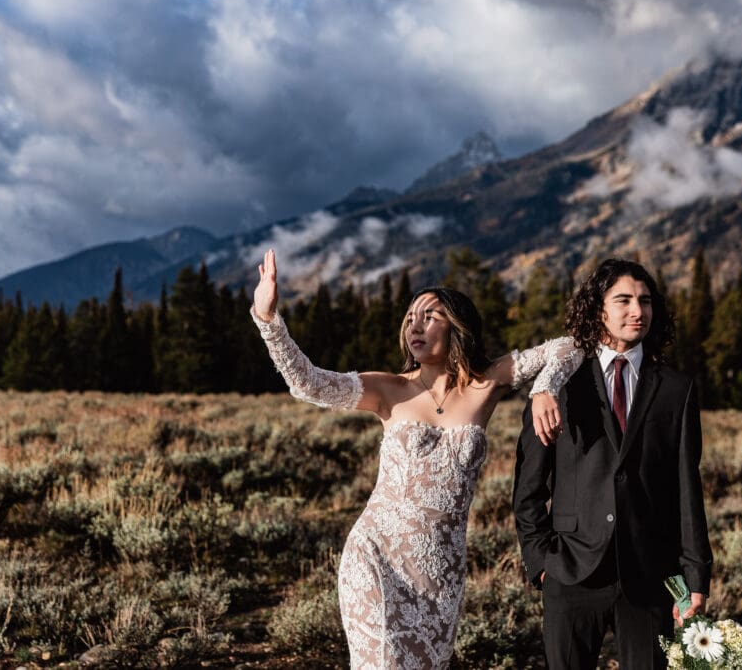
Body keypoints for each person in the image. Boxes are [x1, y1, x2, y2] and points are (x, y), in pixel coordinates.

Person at [250, 249, 583, 669]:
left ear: (457, 327)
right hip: (377, 553)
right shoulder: (388, 389)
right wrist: (268, 320)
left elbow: (570, 347)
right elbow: (309, 383)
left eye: (430, 316)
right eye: (410, 318)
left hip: (441, 572)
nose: (415, 326)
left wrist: (544, 389)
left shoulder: (486, 384)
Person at [513, 258, 713, 669]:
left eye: (645, 300)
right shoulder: (559, 384)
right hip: (570, 571)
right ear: (597, 309)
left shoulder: (676, 389)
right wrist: (542, 563)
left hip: (651, 574)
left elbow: (686, 488)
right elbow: (528, 486)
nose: (638, 311)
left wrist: (695, 576)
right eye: (623, 300)